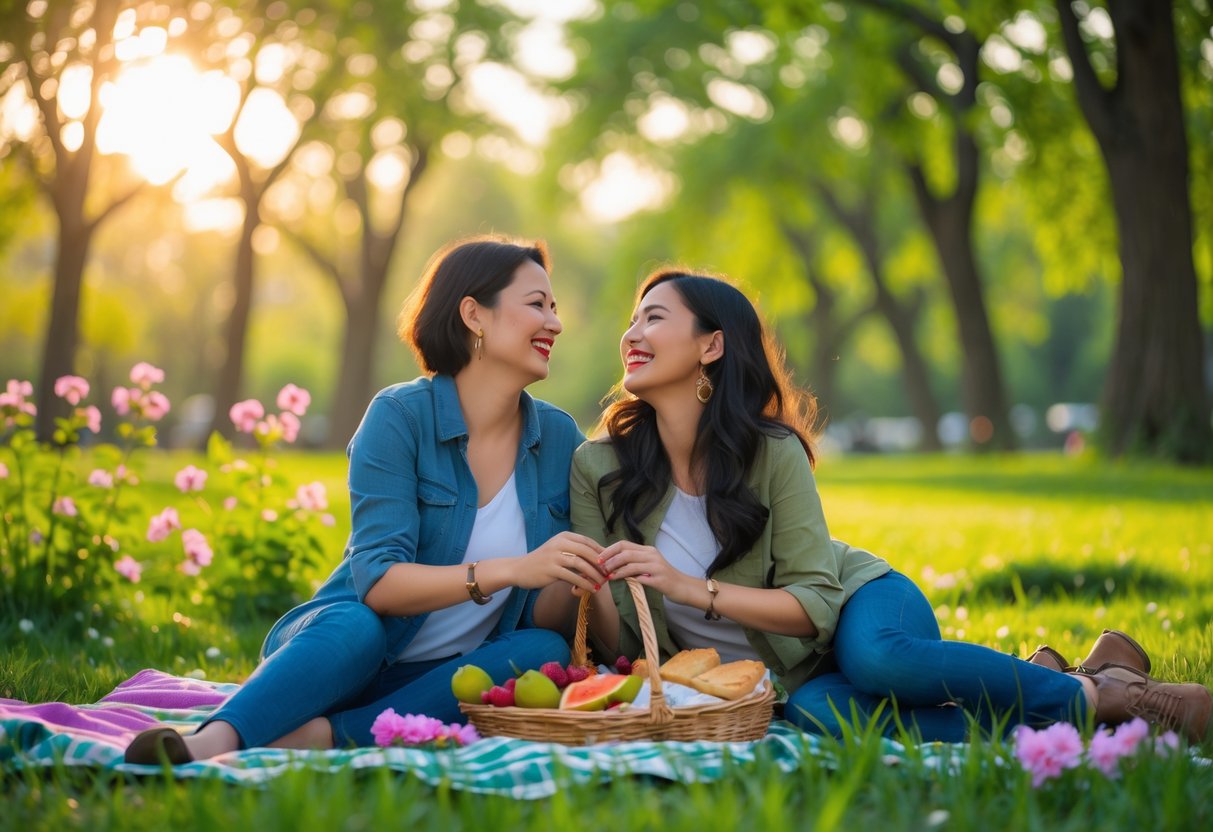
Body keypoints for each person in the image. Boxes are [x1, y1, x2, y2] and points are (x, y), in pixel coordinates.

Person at [570, 268, 1212, 743]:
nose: (632, 332)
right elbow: (623, 639)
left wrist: (688, 587)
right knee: (821, 718)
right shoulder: (599, 468)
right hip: (789, 679)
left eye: (654, 317)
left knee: (881, 660)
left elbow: (815, 603)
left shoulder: (771, 453)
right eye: (632, 319)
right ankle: (1039, 689)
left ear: (711, 346)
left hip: (858, 603)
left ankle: (1105, 697)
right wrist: (591, 582)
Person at [126, 236, 606, 764]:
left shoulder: (560, 439)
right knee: (357, 627)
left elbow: (543, 609)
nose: (555, 324)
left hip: (440, 678)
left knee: (543, 650)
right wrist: (510, 569)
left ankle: (323, 737)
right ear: (474, 314)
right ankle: (206, 743)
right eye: (537, 304)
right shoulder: (400, 417)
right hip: (341, 651)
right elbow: (378, 584)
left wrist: (575, 572)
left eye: (555, 308)